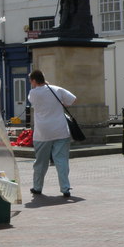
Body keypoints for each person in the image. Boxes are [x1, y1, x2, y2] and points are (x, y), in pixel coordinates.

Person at [27, 69, 76, 197]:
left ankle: (37, 187)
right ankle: (65, 188)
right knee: (61, 160)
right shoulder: (57, 89)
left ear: (33, 81)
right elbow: (73, 99)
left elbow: (33, 101)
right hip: (60, 130)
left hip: (42, 132)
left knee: (41, 162)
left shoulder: (33, 93)